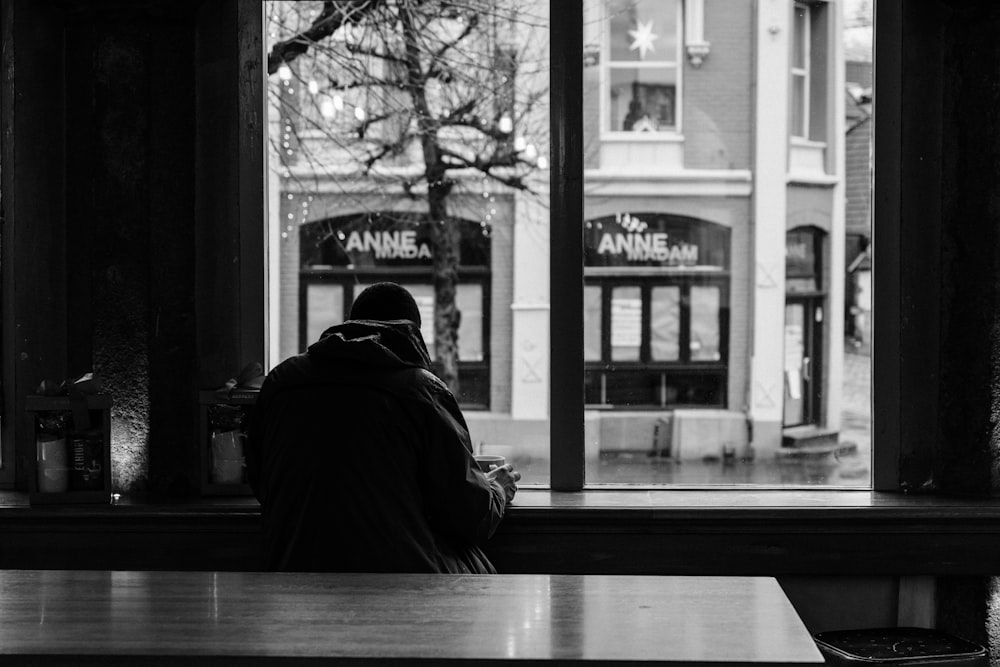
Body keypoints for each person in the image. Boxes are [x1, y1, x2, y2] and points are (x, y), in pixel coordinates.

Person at [246, 282, 520, 573]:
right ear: (414, 331)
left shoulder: (281, 383)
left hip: (290, 578)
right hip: (399, 588)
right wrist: (497, 489)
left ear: (350, 324)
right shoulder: (421, 391)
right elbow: (472, 516)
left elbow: (262, 481)